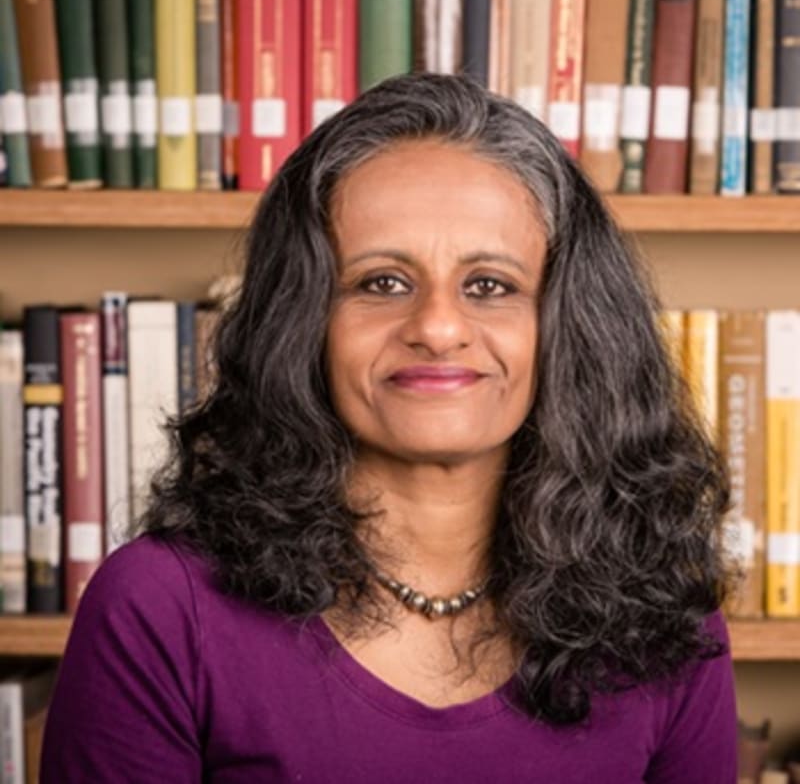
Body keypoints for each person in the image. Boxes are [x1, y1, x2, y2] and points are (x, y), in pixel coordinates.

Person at [40, 72, 738, 783]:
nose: (437, 327)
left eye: (489, 286)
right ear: (303, 322)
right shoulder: (159, 608)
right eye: (382, 283)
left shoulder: (666, 617)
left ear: (567, 330)